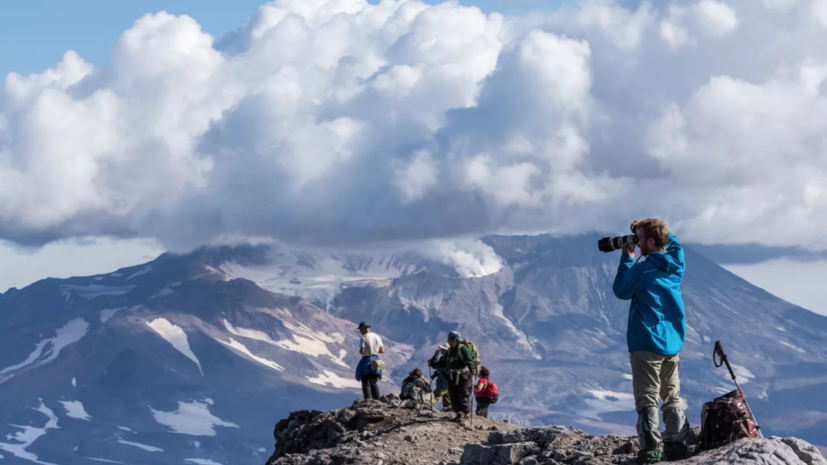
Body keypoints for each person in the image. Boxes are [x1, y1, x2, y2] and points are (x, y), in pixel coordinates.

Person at [612, 219, 689, 464]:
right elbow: (674, 243)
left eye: (641, 238)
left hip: (646, 342)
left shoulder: (642, 269)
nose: (637, 242)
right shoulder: (677, 262)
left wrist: (627, 258)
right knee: (672, 396)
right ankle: (677, 447)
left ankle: (652, 452)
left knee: (647, 398)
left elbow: (621, 290)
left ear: (653, 241)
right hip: (673, 342)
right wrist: (653, 227)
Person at [428, 331, 474, 425]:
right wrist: (432, 364)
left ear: (455, 340)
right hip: (452, 376)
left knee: (463, 395)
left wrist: (472, 369)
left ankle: (466, 415)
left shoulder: (463, 349)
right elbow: (443, 363)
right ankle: (458, 415)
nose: (448, 341)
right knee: (453, 396)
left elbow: (469, 361)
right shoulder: (449, 351)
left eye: (450, 339)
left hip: (463, 376)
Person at [354, 322, 385, 400]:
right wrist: (374, 350)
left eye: (360, 330)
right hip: (375, 359)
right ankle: (377, 398)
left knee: (365, 380)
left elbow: (362, 351)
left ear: (364, 329)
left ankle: (368, 398)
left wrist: (361, 350)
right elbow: (382, 350)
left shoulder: (363, 337)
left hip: (366, 360)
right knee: (373, 381)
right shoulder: (377, 336)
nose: (360, 331)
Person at [431, 344, 452, 411]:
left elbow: (435, 366)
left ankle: (430, 408)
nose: (441, 350)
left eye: (442, 349)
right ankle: (448, 411)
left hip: (443, 384)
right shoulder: (444, 358)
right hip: (448, 384)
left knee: (434, 396)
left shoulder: (446, 360)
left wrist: (435, 356)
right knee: (447, 399)